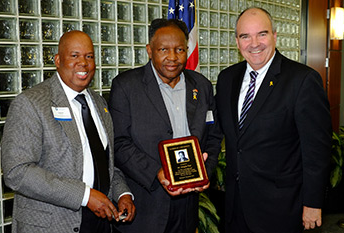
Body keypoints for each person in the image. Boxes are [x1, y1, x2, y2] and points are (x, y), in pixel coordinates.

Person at [1, 30, 135, 233]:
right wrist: (84, 195)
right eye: (74, 55)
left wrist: (123, 194)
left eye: (89, 56)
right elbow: (17, 172)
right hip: (51, 225)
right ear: (57, 60)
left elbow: (105, 164)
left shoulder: (99, 104)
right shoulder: (31, 103)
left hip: (99, 223)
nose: (83, 62)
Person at [215, 7, 332, 233]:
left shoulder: (302, 80)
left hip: (281, 208)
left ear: (274, 36)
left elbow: (317, 150)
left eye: (262, 34)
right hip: (235, 207)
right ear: (237, 42)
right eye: (245, 36)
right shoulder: (226, 78)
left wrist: (313, 203)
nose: (254, 43)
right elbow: (217, 130)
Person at [108, 18, 222, 233]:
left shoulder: (202, 86)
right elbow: (119, 142)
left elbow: (213, 136)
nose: (172, 57)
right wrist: (156, 173)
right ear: (150, 50)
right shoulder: (126, 86)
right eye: (163, 49)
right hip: (145, 204)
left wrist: (205, 171)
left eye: (179, 49)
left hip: (188, 204)